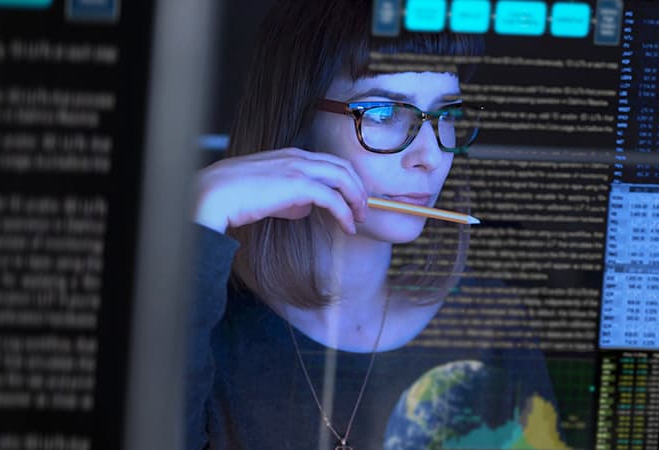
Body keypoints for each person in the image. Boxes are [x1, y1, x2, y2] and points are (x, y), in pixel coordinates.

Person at [187, 1, 563, 449]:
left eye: (447, 115)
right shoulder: (204, 319)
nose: (429, 155)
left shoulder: (492, 322)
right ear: (297, 119)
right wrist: (198, 217)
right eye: (384, 113)